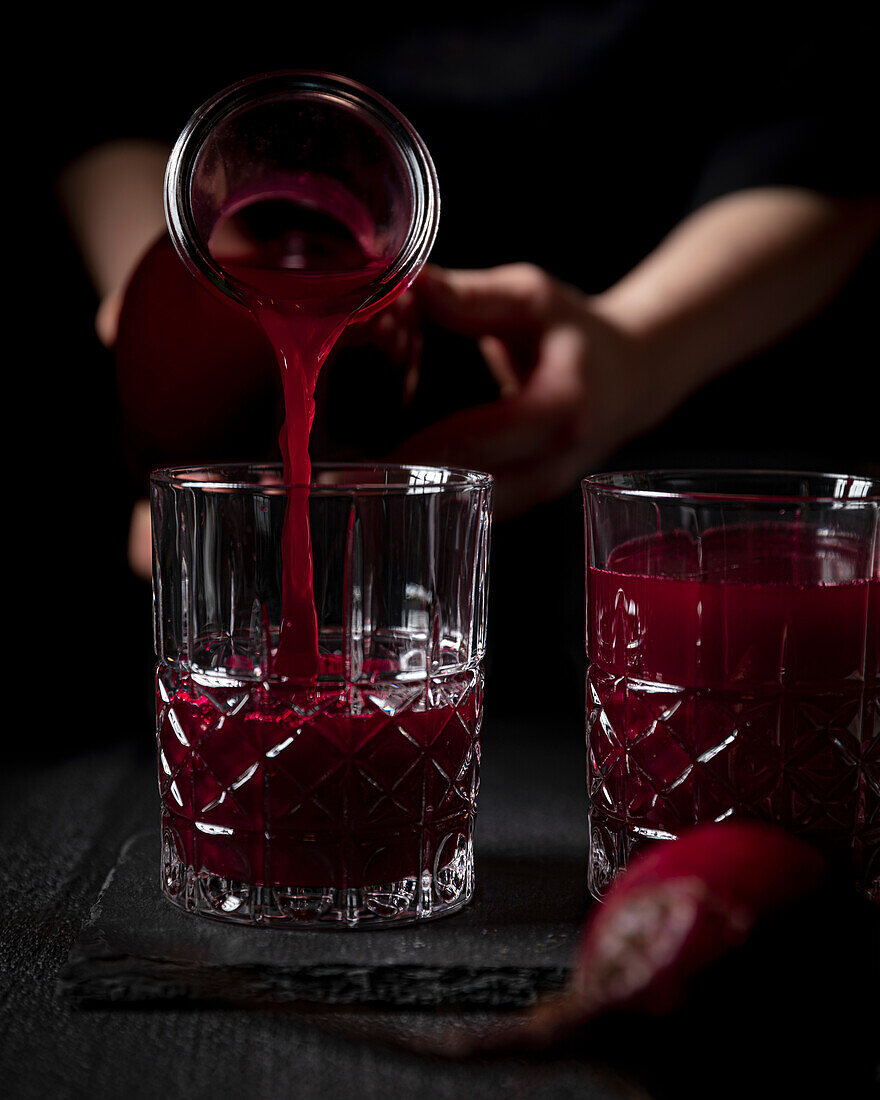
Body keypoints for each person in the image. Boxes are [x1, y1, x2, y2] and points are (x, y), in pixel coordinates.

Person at [45, 4, 880, 721]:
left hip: (658, 447)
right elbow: (97, 67)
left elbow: (837, 114)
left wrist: (638, 348)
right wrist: (159, 303)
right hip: (206, 602)